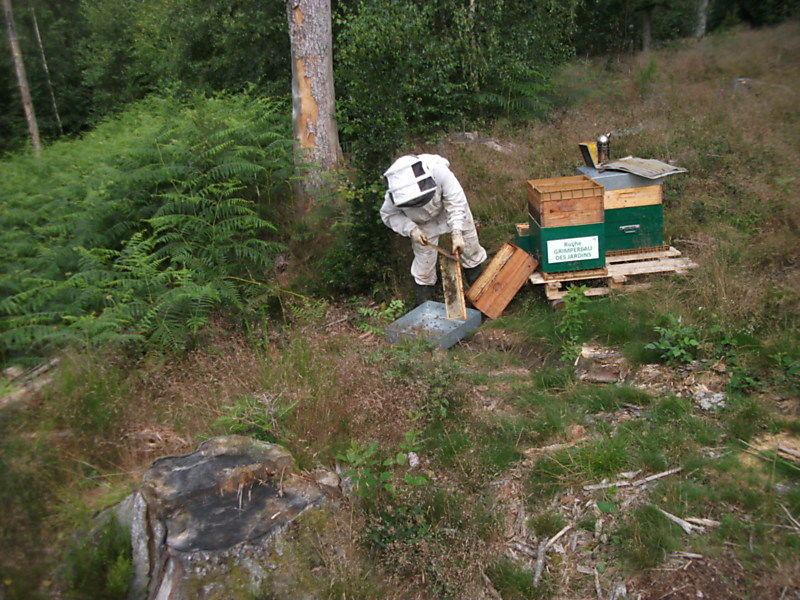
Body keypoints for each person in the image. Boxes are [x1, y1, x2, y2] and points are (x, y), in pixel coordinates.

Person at [380, 153, 487, 304]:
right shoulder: (394, 194)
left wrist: (456, 232)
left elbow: (456, 202)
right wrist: (411, 229)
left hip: (447, 210)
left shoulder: (438, 171)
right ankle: (425, 309)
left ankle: (481, 300)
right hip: (421, 225)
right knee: (424, 265)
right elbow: (389, 215)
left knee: (470, 249)